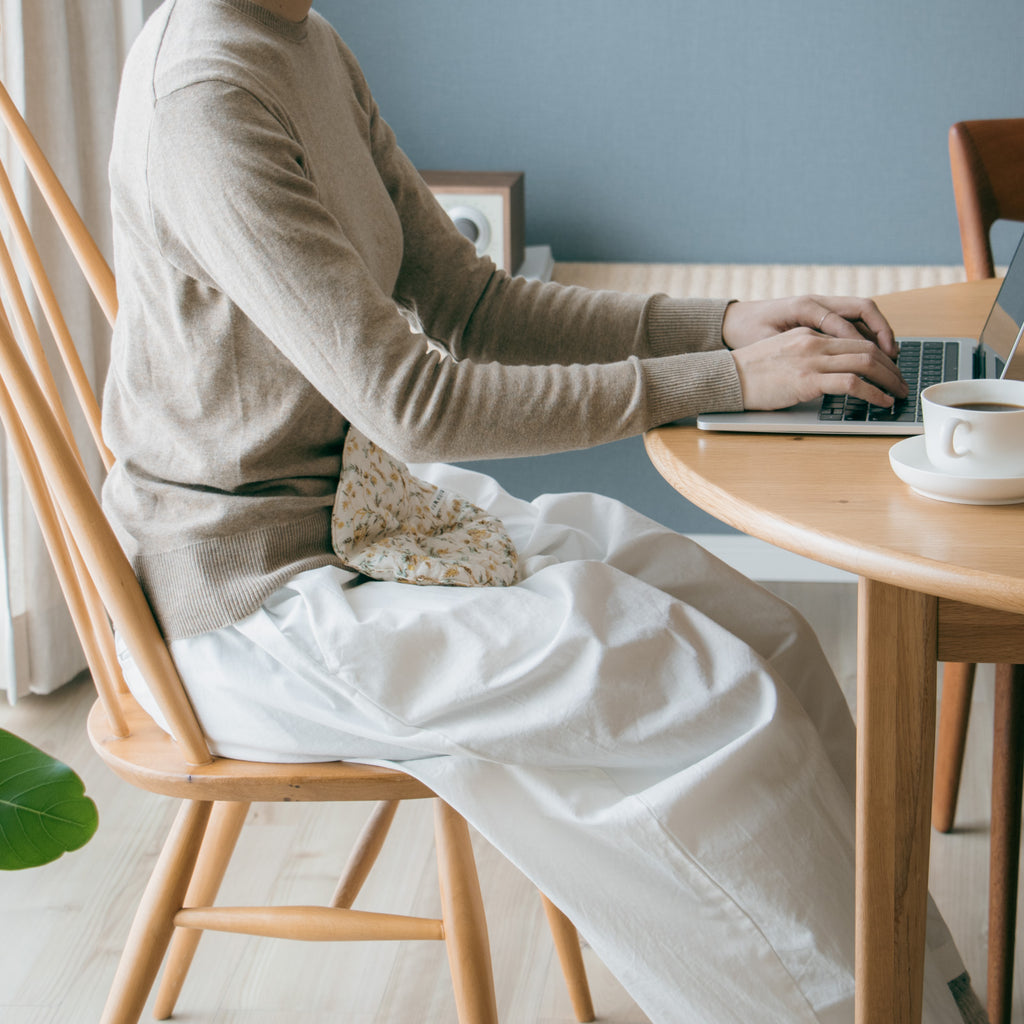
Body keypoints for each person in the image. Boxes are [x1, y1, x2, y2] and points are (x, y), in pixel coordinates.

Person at [104, 1, 985, 1021]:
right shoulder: (205, 101)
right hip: (258, 595)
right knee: (698, 693)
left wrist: (729, 323)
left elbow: (470, 303)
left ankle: (918, 988)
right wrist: (728, 377)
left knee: (769, 636)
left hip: (366, 512)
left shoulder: (304, 36)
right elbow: (416, 400)